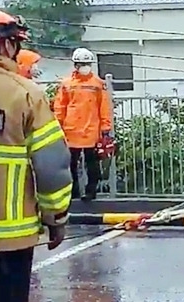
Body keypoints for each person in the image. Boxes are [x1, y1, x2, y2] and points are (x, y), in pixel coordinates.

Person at [0, 9, 72, 302]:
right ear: (0, 44)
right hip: (7, 245)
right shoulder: (25, 94)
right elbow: (52, 167)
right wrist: (56, 220)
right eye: (14, 43)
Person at [53, 47, 112, 201]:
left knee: (92, 164)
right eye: (82, 63)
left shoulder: (98, 84)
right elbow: (60, 106)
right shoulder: (67, 84)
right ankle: (74, 192)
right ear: (76, 65)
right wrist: (57, 125)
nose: (85, 66)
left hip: (91, 131)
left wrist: (106, 128)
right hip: (70, 130)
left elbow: (104, 107)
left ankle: (91, 191)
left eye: (87, 63)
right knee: (70, 164)